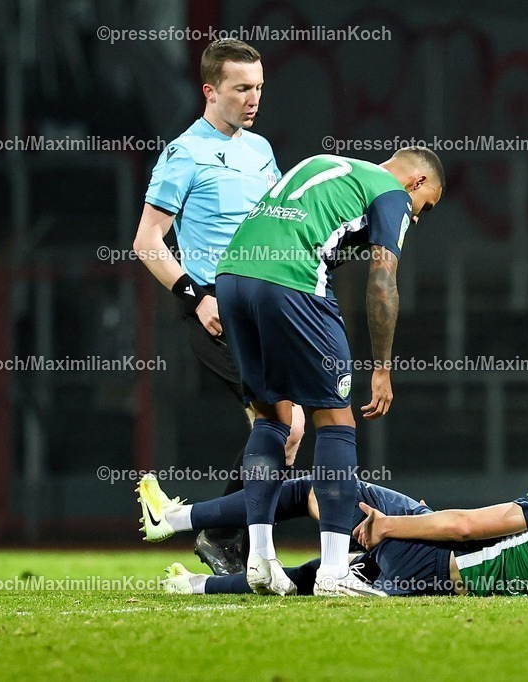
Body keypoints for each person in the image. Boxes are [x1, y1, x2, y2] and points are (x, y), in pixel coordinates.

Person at [213, 148, 445, 596]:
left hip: (232, 277)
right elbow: (382, 279)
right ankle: (335, 571)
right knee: (336, 420)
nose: (417, 218)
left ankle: (260, 558)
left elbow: (299, 227)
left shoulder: (325, 164)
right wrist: (382, 368)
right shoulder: (391, 194)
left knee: (272, 417)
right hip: (291, 283)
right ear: (415, 182)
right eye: (426, 207)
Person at [132, 38, 304, 575]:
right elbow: (147, 241)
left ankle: (225, 536)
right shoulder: (185, 153)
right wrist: (196, 295)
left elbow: (278, 226)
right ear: (210, 91)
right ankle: (225, 535)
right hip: (216, 308)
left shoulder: (261, 150)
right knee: (285, 424)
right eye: (241, 88)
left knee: (284, 431)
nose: (254, 99)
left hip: (265, 307)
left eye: (259, 88)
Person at [141, 429, 528, 597]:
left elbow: (466, 526)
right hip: (440, 585)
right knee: (321, 572)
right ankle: (194, 588)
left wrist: (390, 526)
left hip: (433, 556)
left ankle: (179, 520)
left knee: (325, 487)